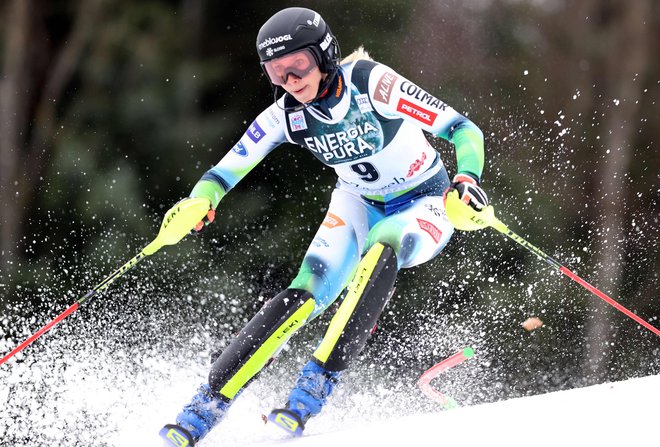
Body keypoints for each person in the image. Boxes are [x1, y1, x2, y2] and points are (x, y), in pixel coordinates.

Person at [159, 7, 488, 446]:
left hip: (426, 201)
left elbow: (464, 130)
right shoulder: (287, 114)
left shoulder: (372, 83)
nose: (291, 83)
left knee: (383, 246)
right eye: (277, 74)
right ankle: (202, 409)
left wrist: (466, 178)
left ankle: (310, 392)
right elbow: (228, 167)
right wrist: (201, 200)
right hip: (357, 201)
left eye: (298, 67)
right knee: (305, 290)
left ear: (325, 55)